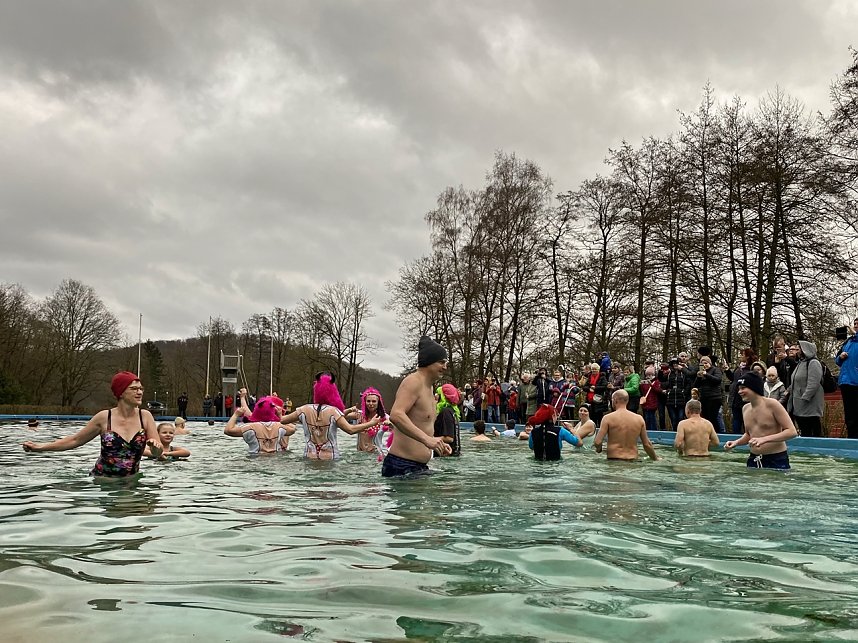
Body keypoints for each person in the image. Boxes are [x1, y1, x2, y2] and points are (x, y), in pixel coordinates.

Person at [22, 371, 163, 477]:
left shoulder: (144, 416)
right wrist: (40, 448)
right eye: (133, 389)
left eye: (141, 389)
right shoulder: (104, 417)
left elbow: (158, 452)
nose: (139, 392)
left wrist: (155, 447)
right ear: (120, 392)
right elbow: (75, 440)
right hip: (101, 482)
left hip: (131, 481)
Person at [381, 336, 452, 476]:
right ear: (429, 362)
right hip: (401, 465)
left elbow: (423, 426)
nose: (445, 367)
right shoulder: (413, 382)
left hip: (418, 466)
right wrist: (427, 440)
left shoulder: (429, 388)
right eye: (441, 362)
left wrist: (438, 444)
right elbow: (396, 415)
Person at [279, 373, 381, 460]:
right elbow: (350, 430)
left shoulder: (303, 409)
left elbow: (282, 420)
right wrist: (371, 423)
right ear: (333, 392)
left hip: (309, 456)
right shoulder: (334, 412)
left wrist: (278, 411)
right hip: (330, 457)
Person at [725, 371, 798, 469]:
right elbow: (749, 435)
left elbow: (792, 432)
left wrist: (764, 439)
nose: (739, 392)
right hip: (754, 459)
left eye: (743, 388)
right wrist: (736, 443)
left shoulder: (773, 404)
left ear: (754, 388)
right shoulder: (745, 408)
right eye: (739, 389)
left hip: (776, 458)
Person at [593, 390, 659, 461]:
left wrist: (599, 449)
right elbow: (647, 444)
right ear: (627, 401)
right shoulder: (639, 419)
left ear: (615, 400)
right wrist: (655, 458)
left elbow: (597, 441)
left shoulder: (608, 418)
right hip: (632, 461)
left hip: (614, 461)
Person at [226, 396, 293, 454]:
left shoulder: (250, 428)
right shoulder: (280, 426)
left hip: (255, 458)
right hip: (274, 458)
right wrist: (280, 416)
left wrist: (235, 415)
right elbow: (293, 429)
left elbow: (228, 430)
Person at [786, 340, 824, 438]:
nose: (797, 351)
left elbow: (813, 383)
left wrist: (805, 398)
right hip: (798, 405)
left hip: (809, 405)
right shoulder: (800, 363)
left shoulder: (813, 363)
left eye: (799, 349)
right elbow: (795, 381)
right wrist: (788, 391)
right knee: (804, 431)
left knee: (812, 432)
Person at [348, 387, 392, 454]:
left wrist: (389, 424)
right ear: (364, 402)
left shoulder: (384, 417)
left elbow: (395, 428)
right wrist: (350, 410)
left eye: (374, 401)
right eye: (368, 401)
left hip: (376, 455)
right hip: (359, 454)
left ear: (378, 403)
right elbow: (339, 415)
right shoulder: (359, 415)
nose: (371, 404)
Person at [836, 317, 858, 439]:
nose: (855, 325)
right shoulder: (848, 342)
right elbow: (837, 360)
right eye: (854, 323)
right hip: (846, 381)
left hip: (856, 381)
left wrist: (855, 334)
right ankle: (852, 440)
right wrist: (841, 357)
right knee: (849, 415)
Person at [693, 356, 724, 432]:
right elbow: (695, 385)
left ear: (710, 363)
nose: (704, 365)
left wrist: (706, 374)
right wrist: (698, 377)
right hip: (704, 398)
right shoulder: (701, 373)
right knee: (705, 418)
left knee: (713, 418)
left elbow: (718, 380)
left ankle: (717, 433)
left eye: (706, 363)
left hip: (714, 398)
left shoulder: (716, 370)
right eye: (702, 364)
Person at [434, 383, 461, 456]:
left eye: (438, 394)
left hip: (446, 455)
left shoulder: (446, 412)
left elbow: (449, 438)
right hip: (453, 454)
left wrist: (429, 439)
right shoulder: (452, 411)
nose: (436, 396)